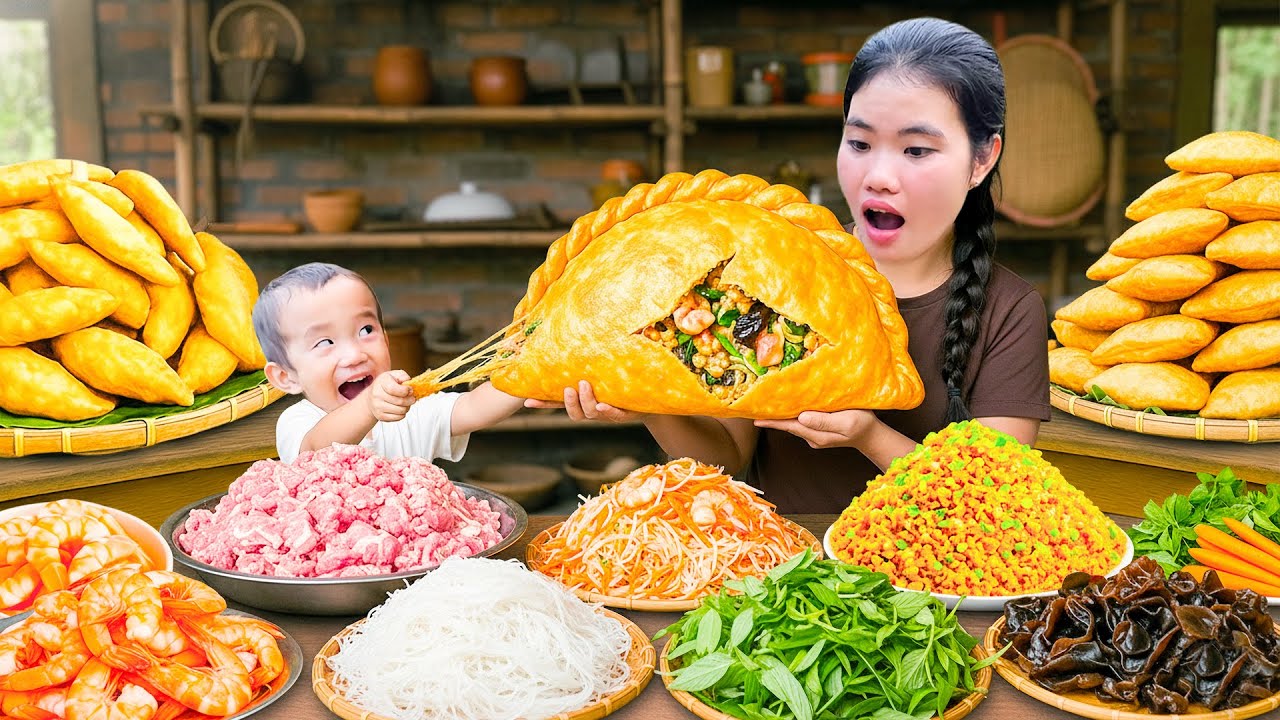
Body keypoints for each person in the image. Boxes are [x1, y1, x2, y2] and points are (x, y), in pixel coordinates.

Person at [528, 17, 1050, 513]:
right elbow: (723, 461)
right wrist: (646, 402)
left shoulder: (1010, 311)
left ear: (982, 159)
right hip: (781, 581)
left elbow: (998, 504)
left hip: (931, 588)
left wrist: (869, 435)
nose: (879, 176)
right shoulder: (767, 268)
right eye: (860, 142)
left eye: (916, 150)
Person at [253, 262, 525, 463]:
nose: (355, 355)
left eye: (366, 331)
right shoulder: (297, 421)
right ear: (285, 377)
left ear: (385, 336)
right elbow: (315, 452)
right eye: (325, 343)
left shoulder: (414, 409)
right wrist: (368, 404)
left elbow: (475, 407)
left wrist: (530, 370)